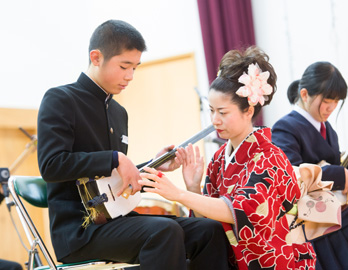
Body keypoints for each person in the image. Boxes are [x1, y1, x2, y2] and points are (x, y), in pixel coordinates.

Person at [37, 20, 231, 270]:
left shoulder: (119, 112)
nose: (129, 76)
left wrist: (155, 164)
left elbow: (112, 179)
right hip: (81, 230)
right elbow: (51, 166)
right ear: (96, 57)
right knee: (164, 231)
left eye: (135, 68)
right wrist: (116, 158)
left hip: (119, 220)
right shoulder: (61, 99)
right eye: (124, 66)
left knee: (209, 229)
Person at [138, 46, 316, 269]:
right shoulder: (219, 159)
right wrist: (193, 188)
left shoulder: (270, 158)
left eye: (222, 112)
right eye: (211, 110)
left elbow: (240, 210)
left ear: (248, 111)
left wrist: (179, 194)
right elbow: (208, 225)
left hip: (278, 261)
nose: (215, 120)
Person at [271, 61, 348, 269]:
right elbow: (291, 175)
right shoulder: (285, 128)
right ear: (304, 95)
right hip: (312, 226)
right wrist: (338, 174)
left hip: (335, 214)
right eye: (327, 100)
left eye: (336, 101)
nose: (331, 108)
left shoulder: (329, 130)